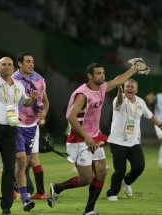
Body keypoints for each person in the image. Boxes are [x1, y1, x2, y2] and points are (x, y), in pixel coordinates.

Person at [47, 60, 149, 215]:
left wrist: (134, 68)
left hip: (93, 137)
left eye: (103, 73)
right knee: (86, 179)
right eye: (99, 73)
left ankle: (89, 210)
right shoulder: (83, 94)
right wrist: (87, 137)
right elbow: (70, 116)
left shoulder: (102, 87)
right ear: (90, 76)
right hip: (80, 139)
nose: (102, 76)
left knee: (101, 172)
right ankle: (57, 188)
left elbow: (118, 80)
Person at [0, 57, 38, 215]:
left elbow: (26, 102)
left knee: (10, 168)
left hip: (11, 128)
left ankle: (6, 206)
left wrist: (33, 98)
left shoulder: (18, 85)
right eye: (4, 64)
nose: (7, 67)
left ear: (12, 68)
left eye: (9, 65)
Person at [106, 79, 162, 201]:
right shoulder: (118, 100)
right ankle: (112, 193)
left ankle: (127, 181)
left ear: (136, 90)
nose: (129, 89)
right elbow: (119, 101)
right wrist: (120, 93)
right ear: (124, 89)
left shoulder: (140, 102)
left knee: (139, 166)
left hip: (134, 142)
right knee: (120, 170)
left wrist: (160, 125)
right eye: (127, 87)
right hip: (118, 141)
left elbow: (150, 115)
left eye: (132, 87)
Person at [11, 52, 49, 209]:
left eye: (32, 61)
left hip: (33, 126)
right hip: (16, 124)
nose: (31, 64)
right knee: (21, 159)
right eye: (27, 62)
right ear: (20, 64)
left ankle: (22, 193)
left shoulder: (39, 80)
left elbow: (45, 102)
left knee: (27, 161)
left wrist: (44, 113)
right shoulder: (12, 80)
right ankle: (21, 195)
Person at [145, 90, 162, 169]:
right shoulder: (159, 96)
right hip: (159, 123)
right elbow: (150, 99)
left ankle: (160, 162)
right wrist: (150, 97)